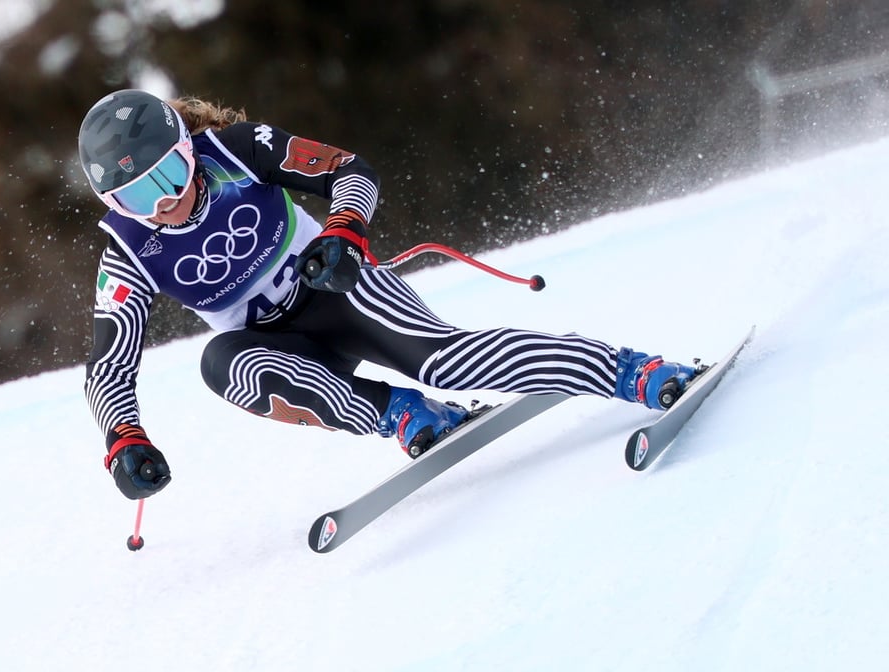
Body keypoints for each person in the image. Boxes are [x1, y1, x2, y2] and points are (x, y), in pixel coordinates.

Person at [77, 89, 702, 500]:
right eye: (137, 196)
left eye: (171, 173)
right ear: (113, 204)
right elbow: (108, 365)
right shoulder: (128, 250)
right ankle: (404, 413)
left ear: (187, 148)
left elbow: (348, 168)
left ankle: (632, 371)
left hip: (338, 288)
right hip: (284, 349)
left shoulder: (236, 151)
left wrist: (344, 233)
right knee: (223, 365)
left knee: (446, 362)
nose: (166, 201)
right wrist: (123, 439)